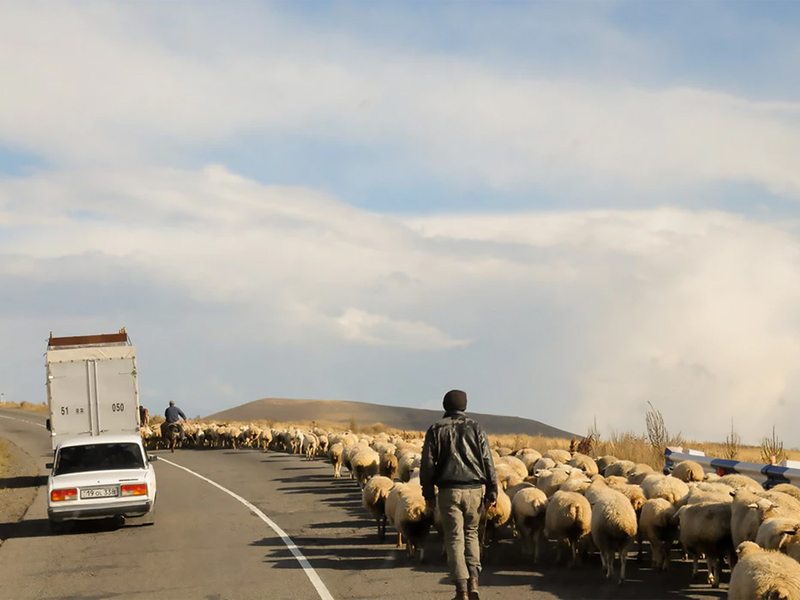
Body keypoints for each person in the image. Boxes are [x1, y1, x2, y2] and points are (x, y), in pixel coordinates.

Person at [420, 389, 497, 600]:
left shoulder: (436, 429)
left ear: (445, 405)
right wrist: (492, 491)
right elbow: (488, 461)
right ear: (464, 405)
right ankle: (474, 581)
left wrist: (428, 493)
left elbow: (427, 464)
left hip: (448, 491)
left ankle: (461, 589)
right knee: (471, 534)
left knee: (454, 538)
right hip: (474, 491)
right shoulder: (476, 428)